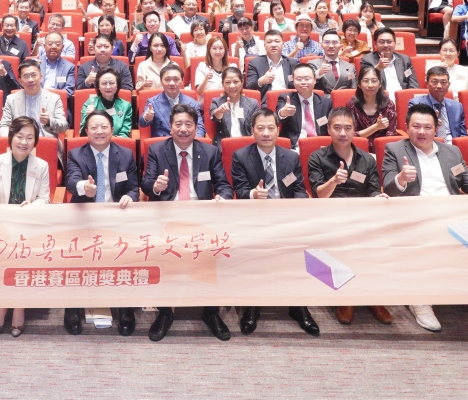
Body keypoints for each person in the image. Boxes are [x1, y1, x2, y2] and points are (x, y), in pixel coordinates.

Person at [381, 105, 468, 333]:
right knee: (425, 244)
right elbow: (388, 187)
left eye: (427, 127)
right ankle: (420, 299)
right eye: (416, 126)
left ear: (437, 128)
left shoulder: (451, 152)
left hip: (452, 215)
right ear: (406, 127)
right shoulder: (394, 149)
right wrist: (401, 178)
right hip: (415, 217)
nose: (421, 132)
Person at [141, 104, 233, 341]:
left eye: (188, 124)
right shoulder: (157, 150)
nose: (183, 129)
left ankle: (211, 311)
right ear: (170, 127)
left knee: (215, 251)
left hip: (201, 215)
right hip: (167, 215)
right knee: (162, 253)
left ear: (196, 127)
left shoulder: (210, 151)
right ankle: (165, 312)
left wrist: (223, 197)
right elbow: (146, 183)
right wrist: (155, 186)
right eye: (178, 124)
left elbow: (223, 184)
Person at [230, 107, 318, 336]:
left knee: (299, 249)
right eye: (260, 128)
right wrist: (252, 194)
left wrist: (298, 208)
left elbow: (298, 188)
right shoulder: (240, 156)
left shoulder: (291, 157)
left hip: (286, 217)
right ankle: (252, 306)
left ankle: (298, 305)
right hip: (254, 218)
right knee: (254, 252)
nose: (266, 133)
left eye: (271, 128)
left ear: (278, 130)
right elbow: (239, 190)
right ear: (252, 131)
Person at [306, 106, 392, 324]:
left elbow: (373, 190)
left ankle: (372, 295)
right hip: (330, 214)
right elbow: (319, 195)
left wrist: (378, 197)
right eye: (337, 128)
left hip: (362, 214)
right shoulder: (317, 157)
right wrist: (334, 181)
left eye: (347, 128)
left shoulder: (367, 159)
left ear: (355, 130)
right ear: (328, 129)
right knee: (345, 238)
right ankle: (348, 297)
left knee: (381, 238)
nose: (342, 133)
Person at [64, 108, 140, 336]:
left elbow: (133, 187)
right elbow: (71, 181)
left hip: (116, 216)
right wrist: (84, 188)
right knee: (77, 260)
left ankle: (125, 308)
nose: (99, 131)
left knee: (124, 259)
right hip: (85, 215)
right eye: (94, 127)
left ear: (112, 129)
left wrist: (131, 197)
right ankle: (72, 306)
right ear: (86, 131)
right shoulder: (76, 154)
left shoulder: (125, 154)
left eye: (104, 127)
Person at [0, 115, 50, 336]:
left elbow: (45, 198)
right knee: (3, 265)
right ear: (11, 137)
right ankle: (1, 307)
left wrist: (33, 205)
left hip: (28, 225)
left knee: (22, 266)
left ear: (35, 141)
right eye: (19, 136)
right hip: (2, 225)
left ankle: (19, 308)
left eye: (30, 137)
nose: (24, 142)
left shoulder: (41, 165)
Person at [0, 60, 67, 139]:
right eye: (26, 76)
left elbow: (63, 127)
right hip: (20, 142)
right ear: (20, 81)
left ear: (41, 77)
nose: (30, 80)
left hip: (45, 141)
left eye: (34, 75)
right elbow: (4, 125)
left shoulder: (54, 98)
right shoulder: (11, 99)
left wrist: (49, 121)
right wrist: (10, 141)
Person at [138, 63, 205, 140]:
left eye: (176, 79)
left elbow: (200, 128)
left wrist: (194, 143)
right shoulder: (153, 102)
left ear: (182, 81)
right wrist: (146, 118)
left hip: (186, 142)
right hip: (163, 143)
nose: (172, 83)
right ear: (161, 82)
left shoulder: (192, 103)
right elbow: (142, 123)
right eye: (167, 79)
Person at [275, 62, 332, 147]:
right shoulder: (286, 98)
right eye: (299, 79)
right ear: (293, 81)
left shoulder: (326, 103)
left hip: (320, 147)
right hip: (295, 147)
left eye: (307, 79)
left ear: (315, 80)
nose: (303, 82)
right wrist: (283, 113)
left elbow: (331, 126)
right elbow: (276, 117)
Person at [407, 66, 467, 141]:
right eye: (434, 82)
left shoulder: (457, 106)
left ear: (449, 85)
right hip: (428, 143)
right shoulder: (416, 104)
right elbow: (413, 132)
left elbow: (463, 134)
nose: (439, 86)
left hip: (453, 145)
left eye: (443, 82)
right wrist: (433, 124)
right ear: (427, 84)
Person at [209, 66, 261, 144]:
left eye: (235, 82)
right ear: (222, 84)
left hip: (247, 144)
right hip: (225, 144)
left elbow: (256, 124)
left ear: (242, 82)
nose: (232, 86)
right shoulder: (216, 102)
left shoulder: (253, 103)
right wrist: (220, 111)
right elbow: (215, 117)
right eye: (228, 82)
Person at [77, 66, 133, 138]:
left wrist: (111, 141)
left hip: (117, 143)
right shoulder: (90, 103)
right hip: (94, 141)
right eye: (104, 83)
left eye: (111, 83)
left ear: (117, 85)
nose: (108, 87)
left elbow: (125, 133)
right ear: (98, 86)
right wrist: (89, 117)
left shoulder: (126, 106)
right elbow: (82, 134)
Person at [359, 27, 419, 92]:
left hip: (403, 95)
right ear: (375, 44)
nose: (385, 45)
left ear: (395, 43)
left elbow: (413, 84)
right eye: (382, 42)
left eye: (389, 42)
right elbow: (366, 84)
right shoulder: (367, 60)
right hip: (380, 96)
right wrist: (378, 69)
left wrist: (408, 96)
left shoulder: (405, 60)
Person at [348, 65, 397, 142]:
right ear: (359, 84)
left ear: (380, 84)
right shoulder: (352, 105)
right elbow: (351, 134)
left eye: (374, 81)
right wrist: (376, 127)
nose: (370, 85)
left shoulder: (389, 104)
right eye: (366, 81)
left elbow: (391, 135)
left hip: (383, 147)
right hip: (358, 146)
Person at [243, 29, 296, 100]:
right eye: (269, 42)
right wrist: (261, 81)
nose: (273, 45)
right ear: (264, 46)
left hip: (289, 101)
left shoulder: (292, 63)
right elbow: (249, 88)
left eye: (277, 41)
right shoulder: (255, 63)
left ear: (283, 44)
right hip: (267, 102)